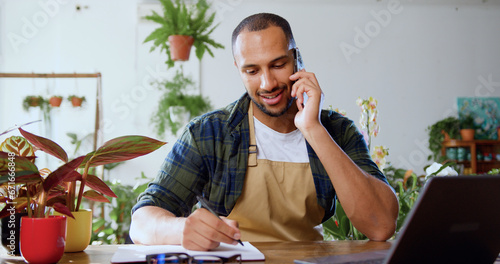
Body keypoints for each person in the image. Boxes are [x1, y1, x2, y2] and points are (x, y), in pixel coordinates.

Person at [130, 13, 398, 251]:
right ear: (239, 69)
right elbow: (141, 221)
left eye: (278, 65)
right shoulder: (208, 133)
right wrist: (181, 229)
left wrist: (313, 128)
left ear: (297, 59)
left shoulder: (337, 131)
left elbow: (380, 225)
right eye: (252, 70)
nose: (267, 83)